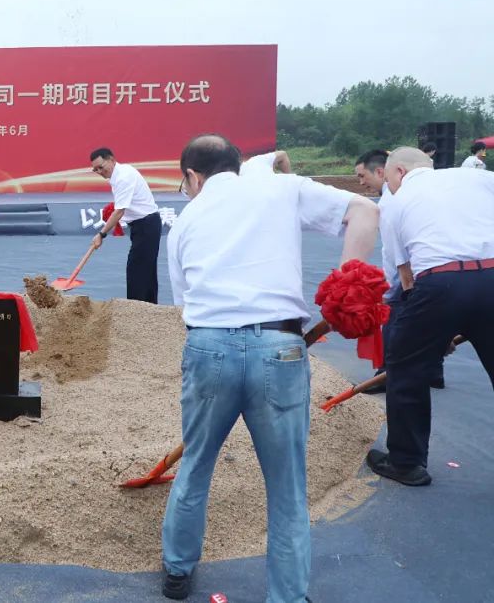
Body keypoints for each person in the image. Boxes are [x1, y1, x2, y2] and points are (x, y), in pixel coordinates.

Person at [161, 134, 378, 601]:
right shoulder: (282, 187)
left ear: (192, 177)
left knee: (195, 464)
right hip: (281, 349)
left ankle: (177, 570)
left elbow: (184, 308)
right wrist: (348, 284)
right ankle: (288, 595)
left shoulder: (184, 223)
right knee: (287, 486)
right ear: (235, 165)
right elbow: (365, 210)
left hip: (208, 346)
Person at [367, 147, 494, 487]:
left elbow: (404, 277)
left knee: (405, 368)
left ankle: (406, 462)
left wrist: (428, 332)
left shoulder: (395, 203)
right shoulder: (478, 178)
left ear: (399, 172)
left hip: (439, 283)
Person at [353, 149, 443, 392]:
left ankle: (386, 375)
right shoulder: (419, 195)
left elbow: (399, 257)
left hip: (408, 279)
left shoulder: (391, 201)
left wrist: (393, 291)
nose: (361, 183)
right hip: (432, 273)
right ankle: (433, 370)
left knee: (395, 326)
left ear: (381, 172)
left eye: (362, 176)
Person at [88, 147, 161, 302]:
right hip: (143, 225)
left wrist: (101, 234)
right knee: (145, 270)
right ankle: (150, 307)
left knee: (136, 271)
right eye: (95, 169)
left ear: (112, 160)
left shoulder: (123, 177)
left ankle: (136, 309)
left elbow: (119, 211)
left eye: (101, 167)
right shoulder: (119, 174)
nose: (99, 171)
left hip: (147, 225)